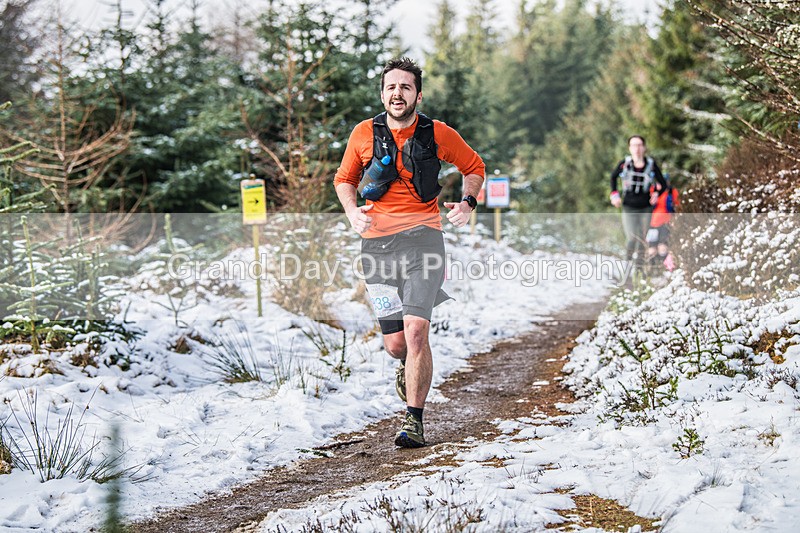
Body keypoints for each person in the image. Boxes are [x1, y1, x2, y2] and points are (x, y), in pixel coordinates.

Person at [333, 57, 485, 448]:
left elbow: (474, 166)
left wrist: (467, 202)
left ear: (418, 93)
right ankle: (406, 365)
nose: (397, 93)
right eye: (390, 87)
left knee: (417, 332)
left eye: (405, 87)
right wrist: (352, 212)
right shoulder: (364, 133)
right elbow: (344, 179)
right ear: (382, 93)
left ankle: (414, 420)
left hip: (424, 242)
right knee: (397, 344)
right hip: (377, 248)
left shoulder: (438, 133)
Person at [610, 135, 667, 274]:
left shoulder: (651, 164)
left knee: (642, 238)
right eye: (634, 145)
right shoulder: (625, 164)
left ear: (644, 147)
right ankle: (627, 264)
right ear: (630, 148)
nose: (637, 148)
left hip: (646, 207)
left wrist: (656, 194)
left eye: (640, 145)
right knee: (631, 237)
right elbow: (613, 177)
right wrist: (614, 195)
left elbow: (663, 184)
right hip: (629, 206)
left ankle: (639, 269)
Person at [646, 174, 679, 273]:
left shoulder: (672, 192)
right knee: (651, 249)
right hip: (652, 224)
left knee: (663, 247)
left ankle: (663, 270)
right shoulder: (652, 190)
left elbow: (677, 206)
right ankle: (652, 271)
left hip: (666, 223)